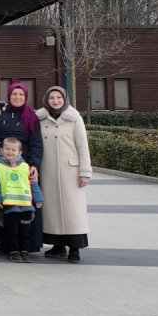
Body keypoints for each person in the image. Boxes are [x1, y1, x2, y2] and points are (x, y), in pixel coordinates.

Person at [0, 83, 45, 254]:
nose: (17, 97)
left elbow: (36, 144)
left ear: (26, 96)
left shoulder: (32, 117)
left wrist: (34, 164)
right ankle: (2, 242)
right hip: (0, 166)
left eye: (21, 94)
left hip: (22, 167)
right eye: (14, 94)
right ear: (9, 95)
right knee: (0, 202)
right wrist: (0, 161)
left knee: (25, 204)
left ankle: (28, 243)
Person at [37, 86, 93, 263]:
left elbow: (83, 146)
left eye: (59, 97)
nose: (55, 101)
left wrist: (85, 171)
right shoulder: (40, 118)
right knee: (52, 211)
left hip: (71, 171)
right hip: (48, 170)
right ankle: (57, 246)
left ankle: (75, 249)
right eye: (51, 97)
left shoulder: (74, 118)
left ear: (64, 99)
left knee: (72, 211)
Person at [0, 136, 45, 263]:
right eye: (7, 149)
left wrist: (39, 199)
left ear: (20, 152)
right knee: (12, 230)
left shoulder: (26, 167)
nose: (10, 152)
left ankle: (24, 251)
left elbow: (33, 184)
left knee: (25, 231)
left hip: (26, 205)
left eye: (13, 150)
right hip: (10, 206)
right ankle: (14, 251)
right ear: (1, 150)